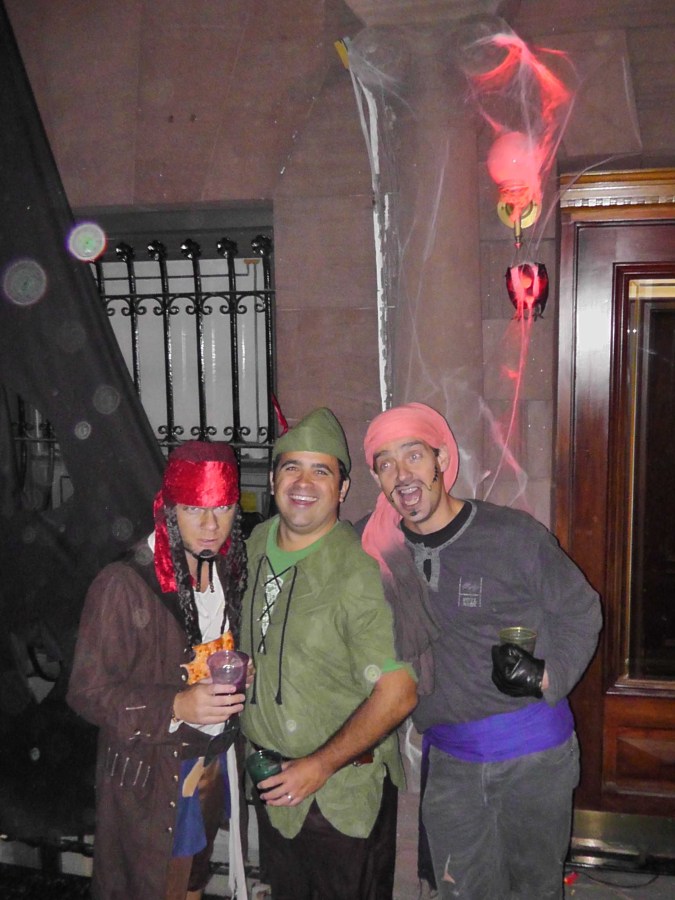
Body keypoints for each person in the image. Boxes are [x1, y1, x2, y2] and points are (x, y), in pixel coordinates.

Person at [361, 402, 603, 900]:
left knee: (535, 890)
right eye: (386, 463)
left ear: (442, 459)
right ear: (376, 478)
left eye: (413, 456)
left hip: (534, 755)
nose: (402, 475)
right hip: (451, 761)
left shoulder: (511, 535)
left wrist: (546, 675)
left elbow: (581, 609)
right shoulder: (376, 550)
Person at [239, 407, 417, 900]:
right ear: (273, 479)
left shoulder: (361, 571)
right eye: (292, 467)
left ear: (342, 489)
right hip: (273, 788)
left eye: (321, 471)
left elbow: (399, 692)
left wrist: (319, 765)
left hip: (341, 798)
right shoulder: (254, 545)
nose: (303, 482)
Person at [67, 441, 249, 900]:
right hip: (151, 776)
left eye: (223, 508)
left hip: (210, 766)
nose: (211, 526)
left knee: (192, 882)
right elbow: (87, 691)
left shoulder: (224, 570)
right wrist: (175, 705)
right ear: (169, 509)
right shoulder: (124, 584)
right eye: (194, 509)